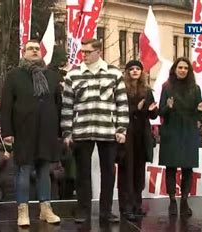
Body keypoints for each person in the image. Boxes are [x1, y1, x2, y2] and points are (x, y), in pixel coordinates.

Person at [61, 38, 129, 223]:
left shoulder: (114, 73)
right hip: (82, 130)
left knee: (108, 173)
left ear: (99, 52)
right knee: (82, 173)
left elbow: (122, 104)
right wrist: (67, 132)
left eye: (88, 52)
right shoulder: (73, 75)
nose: (84, 55)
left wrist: (121, 129)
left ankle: (106, 211)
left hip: (108, 131)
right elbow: (67, 106)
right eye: (82, 51)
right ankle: (83, 210)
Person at [1, 39, 61, 227]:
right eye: (30, 49)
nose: (34, 51)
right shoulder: (14, 76)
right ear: (24, 52)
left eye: (37, 49)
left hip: (46, 131)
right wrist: (7, 131)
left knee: (44, 170)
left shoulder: (51, 76)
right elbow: (6, 105)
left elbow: (58, 104)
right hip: (23, 130)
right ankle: (23, 210)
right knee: (23, 170)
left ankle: (46, 209)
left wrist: (58, 131)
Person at [158, 57, 202, 216]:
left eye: (186, 68)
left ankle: (184, 201)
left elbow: (197, 114)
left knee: (188, 168)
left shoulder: (195, 88)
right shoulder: (166, 87)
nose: (183, 70)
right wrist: (168, 107)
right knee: (170, 167)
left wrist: (200, 110)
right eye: (180, 67)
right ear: (175, 69)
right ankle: (172, 201)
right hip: (171, 130)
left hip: (188, 130)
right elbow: (161, 112)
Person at [117, 60, 158, 221]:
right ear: (127, 72)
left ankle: (137, 205)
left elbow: (152, 115)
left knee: (139, 170)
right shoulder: (121, 89)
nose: (135, 71)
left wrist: (152, 110)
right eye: (131, 69)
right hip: (127, 132)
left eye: (138, 69)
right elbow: (120, 111)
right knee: (126, 169)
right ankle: (125, 206)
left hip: (142, 134)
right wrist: (137, 109)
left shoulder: (147, 90)